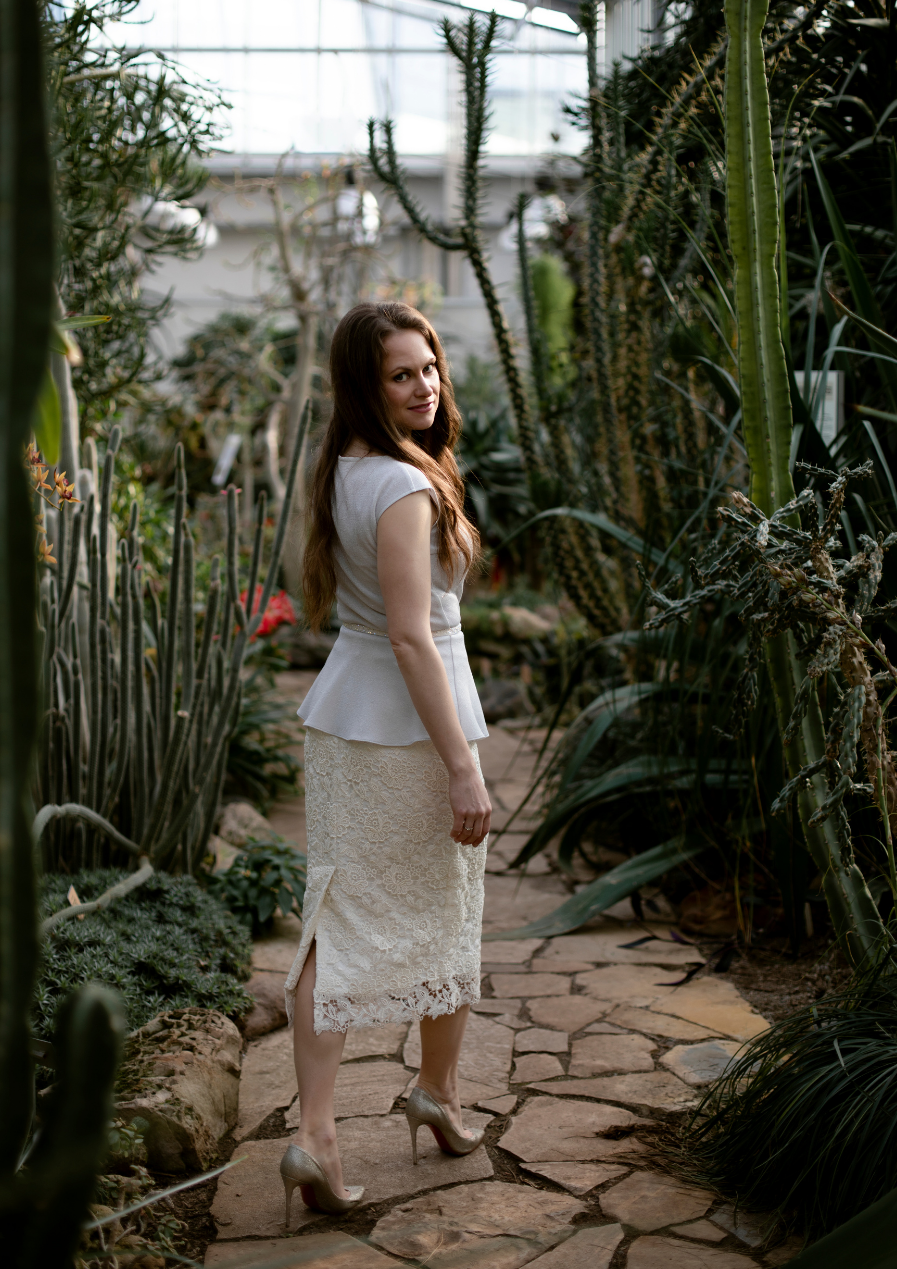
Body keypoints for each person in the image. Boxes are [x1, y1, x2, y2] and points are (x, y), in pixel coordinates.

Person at [275, 301, 494, 1230]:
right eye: (402, 373)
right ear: (367, 384)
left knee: (338, 914)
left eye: (430, 366)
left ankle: (321, 1133)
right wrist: (462, 768)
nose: (425, 385)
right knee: (446, 910)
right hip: (410, 726)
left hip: (346, 719)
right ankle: (431, 1094)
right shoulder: (405, 489)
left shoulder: (348, 470)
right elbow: (413, 637)